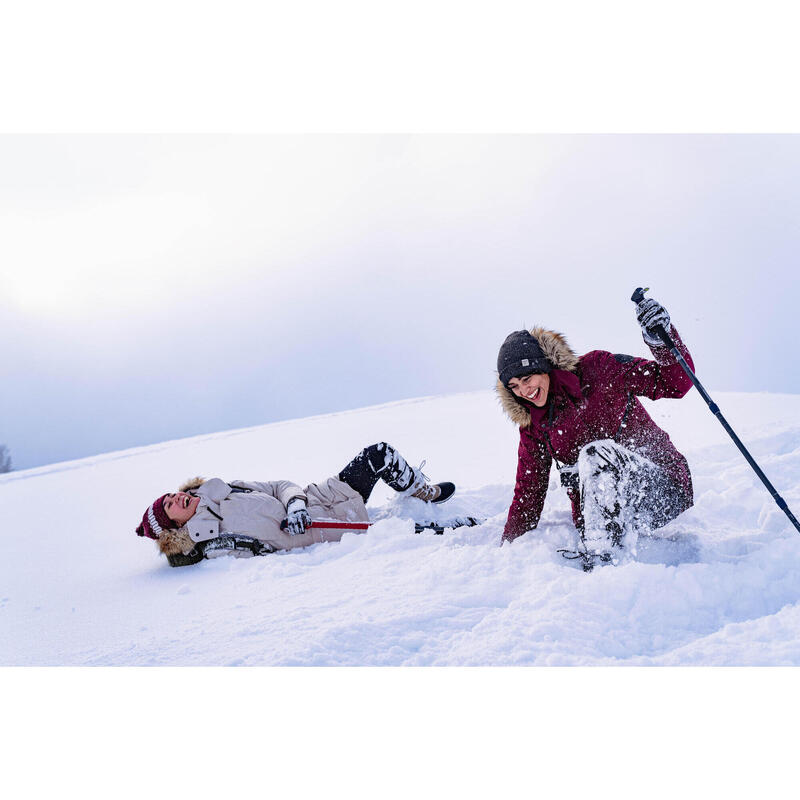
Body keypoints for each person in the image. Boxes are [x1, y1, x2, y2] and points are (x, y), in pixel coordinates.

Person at [495, 295, 694, 569]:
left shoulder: (600, 369)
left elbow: (675, 383)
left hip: (664, 488)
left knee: (594, 453)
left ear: (546, 368)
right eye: (514, 386)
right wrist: (505, 553)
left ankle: (603, 559)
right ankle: (602, 549)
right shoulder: (534, 423)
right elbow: (528, 492)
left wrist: (661, 340)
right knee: (589, 460)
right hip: (601, 520)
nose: (524, 391)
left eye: (527, 379)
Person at [136, 442, 455, 566]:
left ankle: (420, 492)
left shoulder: (222, 488)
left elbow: (281, 486)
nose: (174, 498)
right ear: (175, 525)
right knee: (409, 533)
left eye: (169, 496)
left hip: (322, 498)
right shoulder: (209, 542)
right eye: (169, 507)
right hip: (329, 530)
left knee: (379, 454)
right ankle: (454, 530)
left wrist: (295, 506)